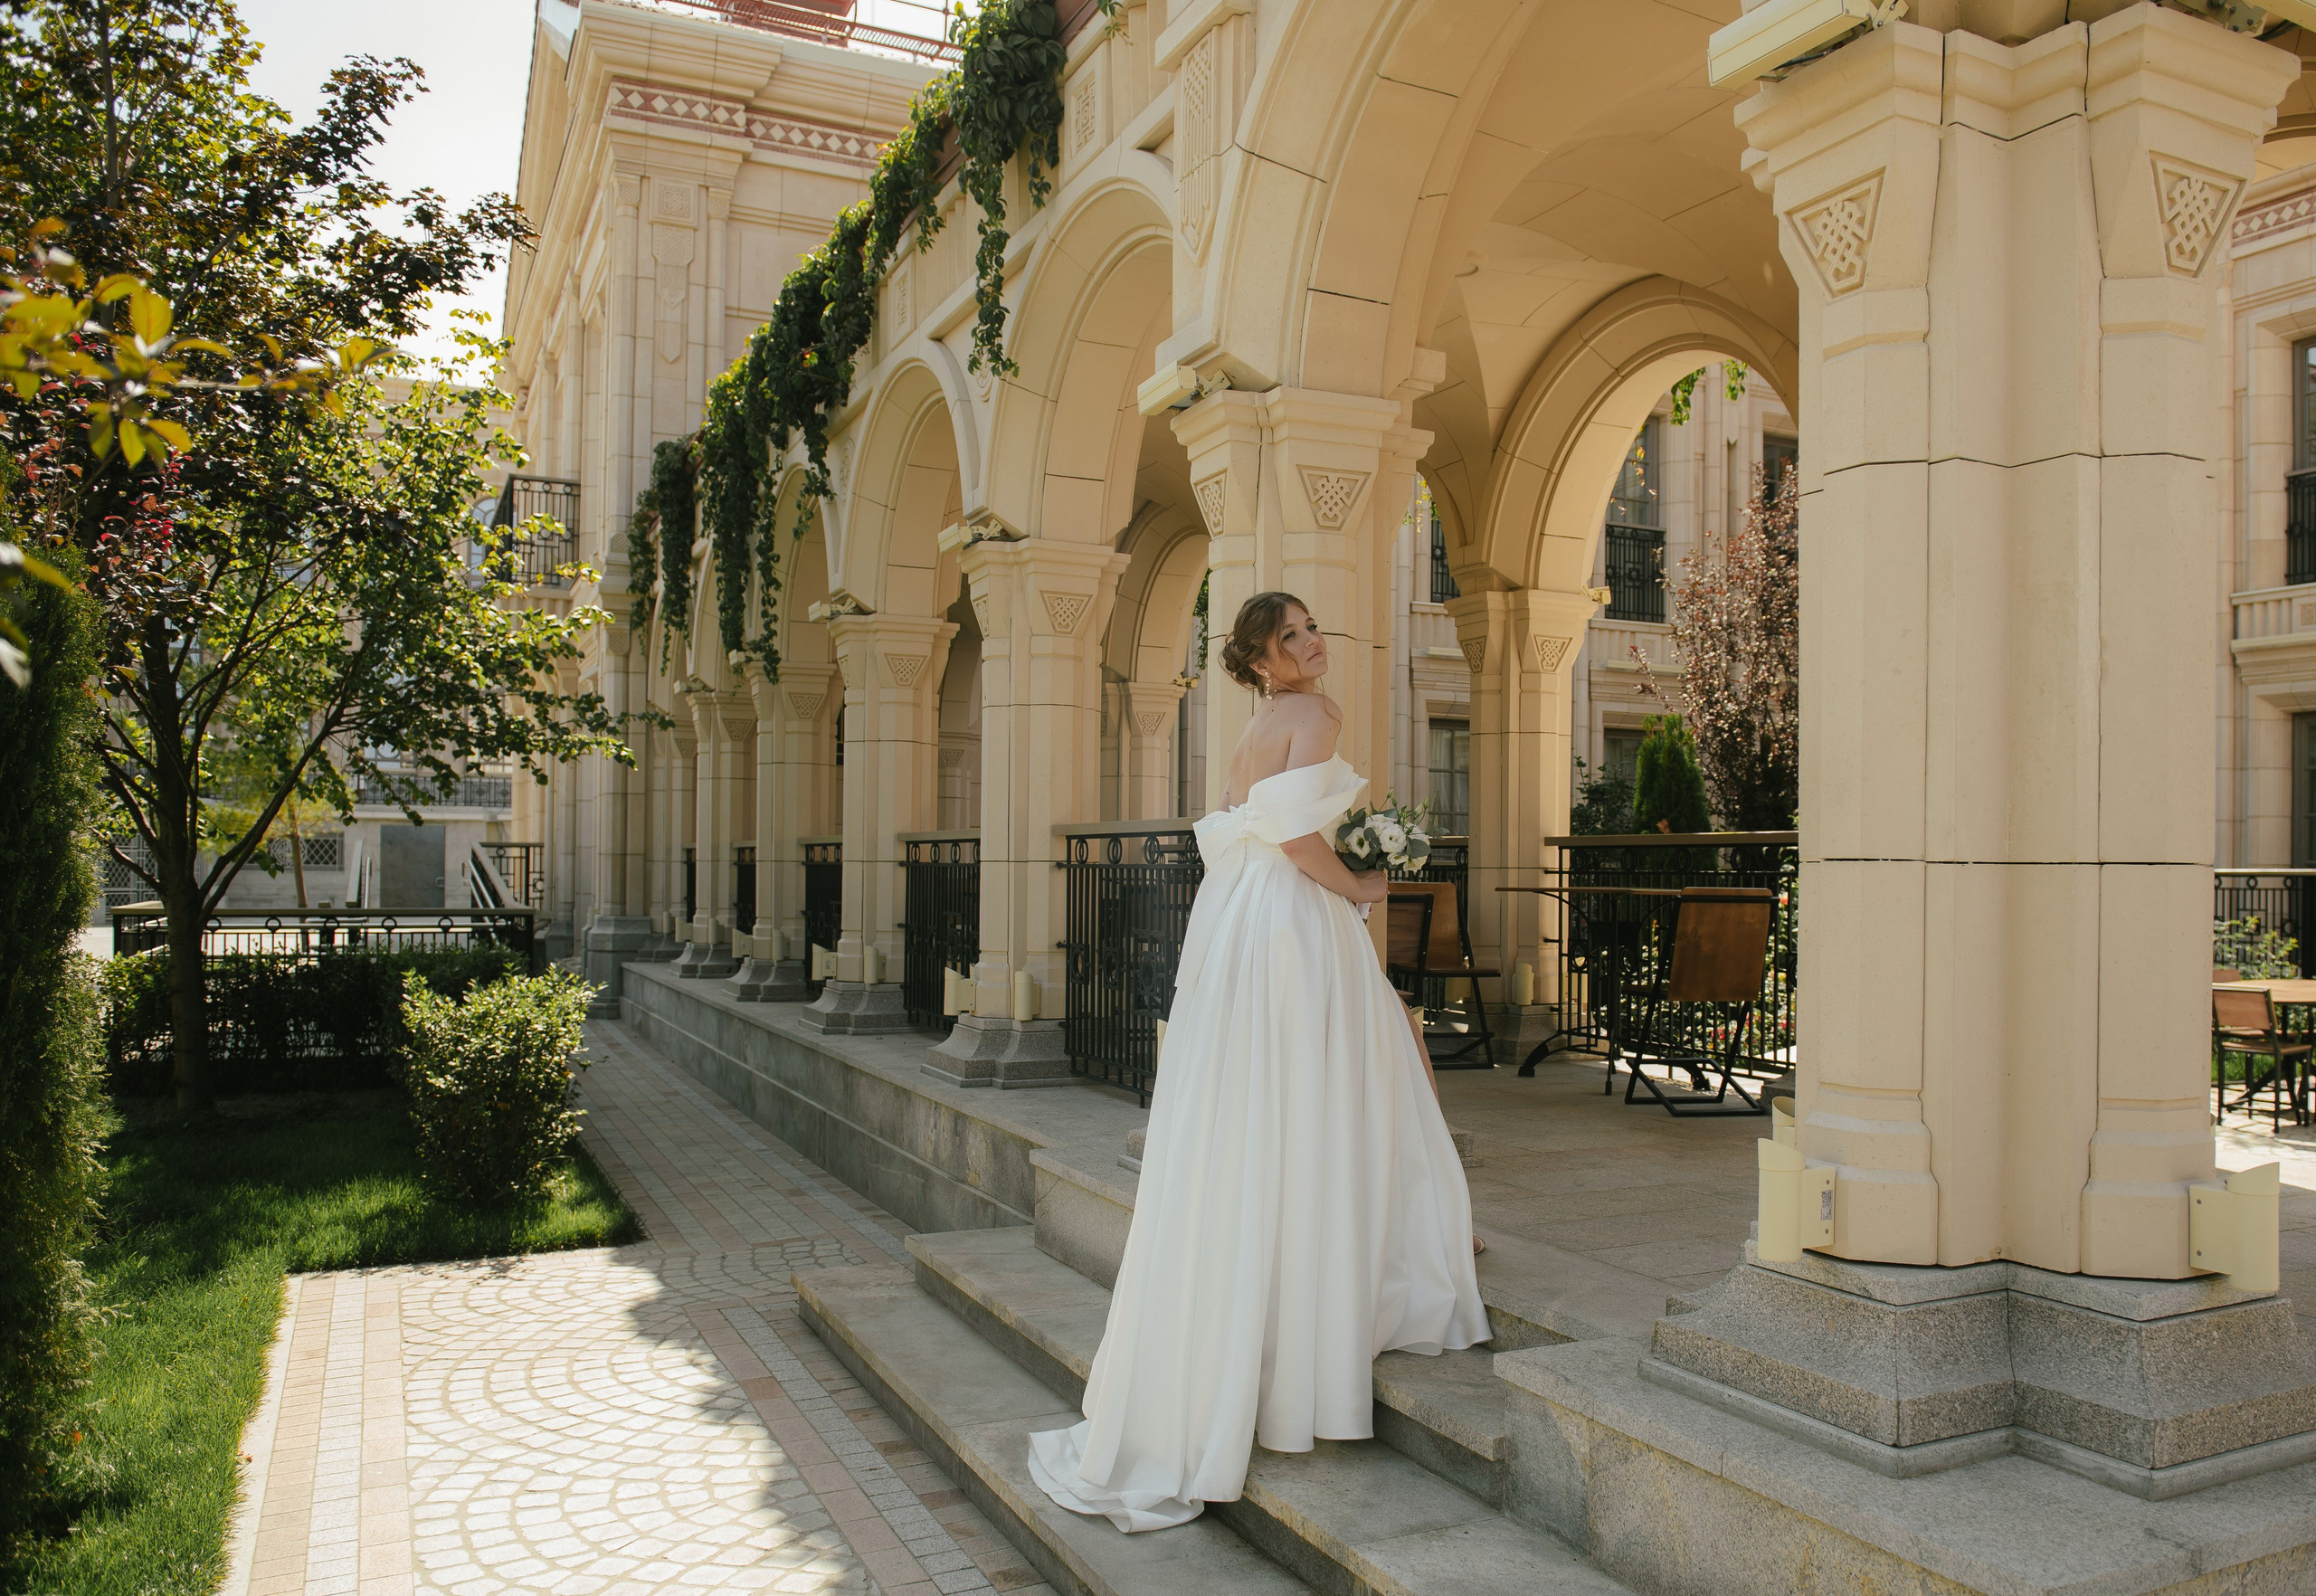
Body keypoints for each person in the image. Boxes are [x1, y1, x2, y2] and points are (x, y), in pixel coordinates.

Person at [1026, 591, 1490, 1534]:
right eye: (1290, 638)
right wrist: (1363, 880)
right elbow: (1290, 836)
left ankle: (1303, 1272)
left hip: (1242, 922)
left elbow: (1253, 823)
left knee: (1278, 1096)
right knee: (1335, 1084)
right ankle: (1368, 1263)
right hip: (1290, 916)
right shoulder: (1315, 713)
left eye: (1312, 626)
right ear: (1262, 659)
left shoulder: (1255, 727)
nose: (1312, 643)